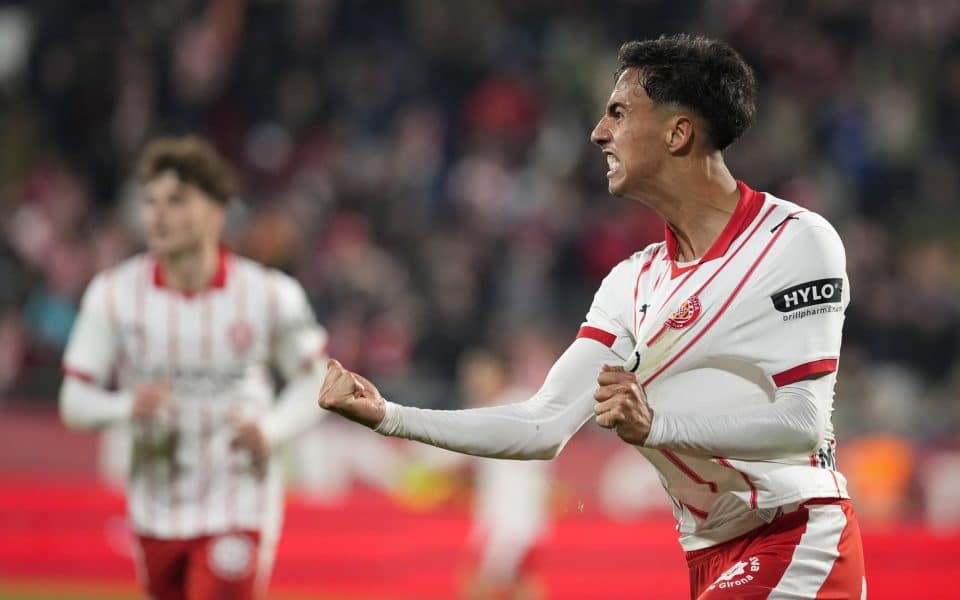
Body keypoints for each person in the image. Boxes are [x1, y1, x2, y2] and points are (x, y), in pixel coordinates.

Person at [318, 33, 866, 600]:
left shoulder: (794, 241)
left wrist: (657, 426)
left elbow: (801, 422)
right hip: (708, 553)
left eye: (619, 113)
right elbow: (542, 425)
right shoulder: (633, 282)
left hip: (799, 535)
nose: (599, 132)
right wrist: (389, 415)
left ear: (679, 133)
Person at [59, 136, 328, 600]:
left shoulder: (268, 294)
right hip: (155, 503)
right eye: (150, 202)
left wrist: (272, 431)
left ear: (217, 213)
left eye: (178, 200)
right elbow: (74, 401)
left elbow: (319, 380)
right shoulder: (113, 294)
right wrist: (127, 408)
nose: (158, 215)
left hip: (238, 499)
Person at [457, 346, 550, 600]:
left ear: (499, 373)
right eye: (470, 376)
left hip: (512, 520)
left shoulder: (518, 403)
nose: (475, 382)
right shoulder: (484, 409)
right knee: (523, 582)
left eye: (480, 374)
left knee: (478, 584)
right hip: (503, 516)